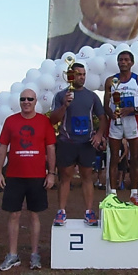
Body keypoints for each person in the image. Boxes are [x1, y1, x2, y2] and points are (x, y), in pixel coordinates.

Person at [0, 89, 56, 271]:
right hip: (14, 176)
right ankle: (13, 255)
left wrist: (51, 173)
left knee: (34, 215)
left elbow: (51, 148)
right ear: (19, 101)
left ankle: (35, 255)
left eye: (30, 99)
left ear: (35, 101)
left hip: (37, 176)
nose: (26, 102)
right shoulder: (10, 121)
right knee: (14, 215)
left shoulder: (44, 122)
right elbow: (2, 148)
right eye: (23, 99)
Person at [50, 62, 107, 226]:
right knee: (65, 178)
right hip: (67, 142)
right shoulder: (61, 95)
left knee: (87, 178)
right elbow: (53, 120)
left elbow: (103, 118)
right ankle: (61, 212)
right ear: (70, 76)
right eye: (78, 74)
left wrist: (99, 134)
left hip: (86, 143)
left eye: (83, 74)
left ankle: (89, 212)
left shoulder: (92, 96)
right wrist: (64, 105)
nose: (81, 77)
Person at [103, 50, 138, 206]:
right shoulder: (110, 81)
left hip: (132, 121)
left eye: (126, 60)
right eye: (120, 60)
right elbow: (105, 105)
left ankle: (134, 193)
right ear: (117, 62)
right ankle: (113, 193)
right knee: (114, 158)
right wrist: (112, 113)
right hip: (115, 122)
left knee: (135, 158)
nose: (123, 62)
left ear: (132, 63)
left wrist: (132, 110)